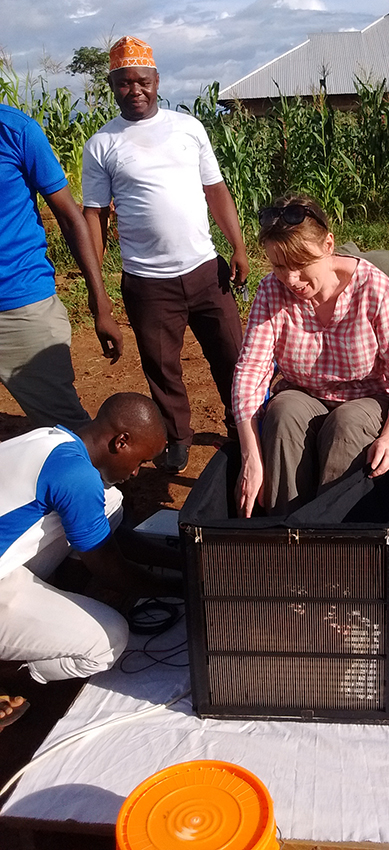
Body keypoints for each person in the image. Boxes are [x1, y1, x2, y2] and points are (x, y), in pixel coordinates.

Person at [82, 36, 248, 474]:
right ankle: (177, 438)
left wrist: (238, 245)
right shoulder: (103, 144)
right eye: (123, 83)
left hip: (205, 271)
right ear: (112, 86)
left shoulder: (188, 128)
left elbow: (215, 190)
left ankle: (244, 426)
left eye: (141, 81)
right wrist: (97, 292)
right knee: (163, 368)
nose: (134, 90)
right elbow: (94, 216)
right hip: (147, 282)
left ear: (156, 80)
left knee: (233, 356)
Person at [232, 195, 389, 518]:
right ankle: (284, 535)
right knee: (281, 413)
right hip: (304, 395)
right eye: (280, 266)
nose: (291, 279)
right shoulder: (270, 292)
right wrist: (250, 456)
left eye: (300, 264)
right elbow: (250, 373)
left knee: (346, 424)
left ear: (328, 245)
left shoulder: (374, 289)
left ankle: (336, 544)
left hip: (366, 399)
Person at [0, 392, 182, 683]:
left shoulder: (49, 439)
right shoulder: (77, 478)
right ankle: (9, 676)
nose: (136, 472)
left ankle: (52, 603)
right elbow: (111, 568)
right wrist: (182, 588)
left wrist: (184, 560)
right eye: (140, 461)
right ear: (121, 441)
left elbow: (111, 538)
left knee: (109, 501)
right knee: (108, 641)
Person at [0, 104, 123, 431]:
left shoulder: (16, 131)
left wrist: (100, 304)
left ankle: (94, 483)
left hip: (21, 308)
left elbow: (71, 218)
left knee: (68, 432)